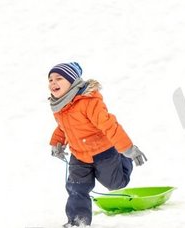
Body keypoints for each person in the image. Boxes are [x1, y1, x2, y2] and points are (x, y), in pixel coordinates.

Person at [48, 62, 147, 227]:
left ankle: (122, 157)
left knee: (115, 184)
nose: (53, 82)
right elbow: (62, 127)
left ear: (73, 82)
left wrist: (127, 149)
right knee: (76, 188)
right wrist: (57, 143)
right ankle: (78, 221)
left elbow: (109, 125)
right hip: (79, 155)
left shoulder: (89, 102)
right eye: (50, 79)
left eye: (59, 78)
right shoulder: (59, 106)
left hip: (104, 152)